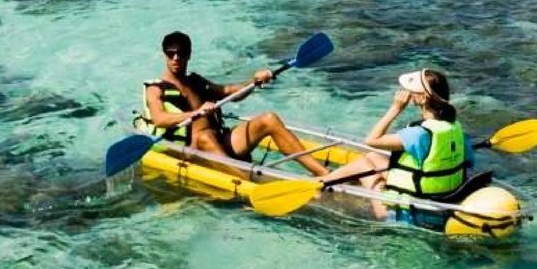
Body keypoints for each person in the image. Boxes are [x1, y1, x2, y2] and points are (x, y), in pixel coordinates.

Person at [142, 32, 333, 176]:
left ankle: (324, 174)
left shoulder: (195, 80)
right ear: (165, 54)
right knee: (204, 137)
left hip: (221, 141)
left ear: (189, 55)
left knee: (269, 119)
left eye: (181, 53)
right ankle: (246, 181)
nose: (176, 58)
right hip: (193, 151)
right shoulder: (156, 88)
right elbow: (159, 119)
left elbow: (230, 92)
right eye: (171, 53)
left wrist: (254, 81)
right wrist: (194, 113)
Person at [331, 68, 476, 216]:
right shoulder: (455, 128)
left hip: (406, 211)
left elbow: (371, 140)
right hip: (443, 196)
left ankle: (320, 182)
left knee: (362, 164)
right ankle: (326, 177)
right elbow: (468, 162)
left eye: (411, 90)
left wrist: (395, 108)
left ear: (423, 97)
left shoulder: (418, 133)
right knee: (373, 157)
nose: (406, 92)